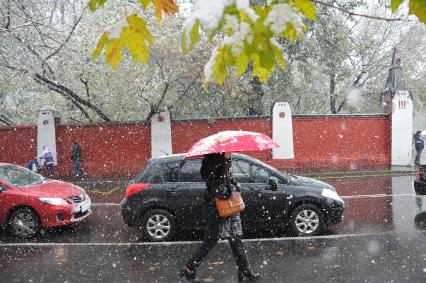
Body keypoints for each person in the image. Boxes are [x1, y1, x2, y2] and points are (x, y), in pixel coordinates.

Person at [180, 152, 260, 282]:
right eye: (228, 151)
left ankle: (244, 269)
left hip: (228, 207)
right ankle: (189, 267)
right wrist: (231, 186)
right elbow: (218, 190)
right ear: (220, 152)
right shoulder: (215, 164)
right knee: (211, 239)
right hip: (217, 208)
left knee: (235, 239)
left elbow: (226, 182)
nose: (230, 152)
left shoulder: (221, 163)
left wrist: (234, 183)